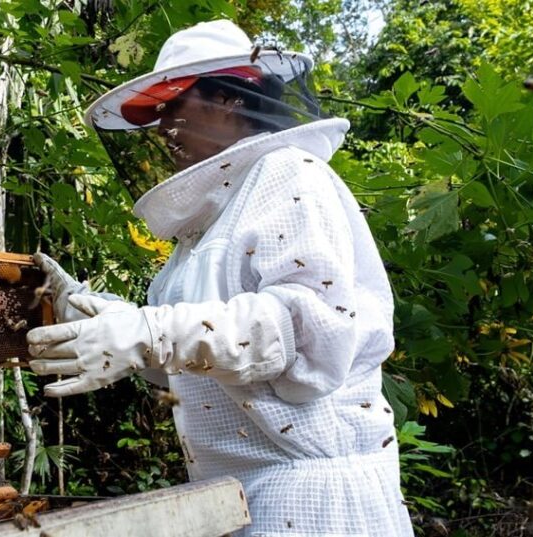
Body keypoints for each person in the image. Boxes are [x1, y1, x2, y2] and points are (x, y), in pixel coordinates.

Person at [27, 20, 413, 536]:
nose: (162, 127)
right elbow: (186, 362)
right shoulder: (204, 231)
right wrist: (93, 312)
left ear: (231, 98)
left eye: (173, 106)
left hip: (313, 496)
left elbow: (309, 334)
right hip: (230, 496)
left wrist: (147, 334)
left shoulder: (289, 173)